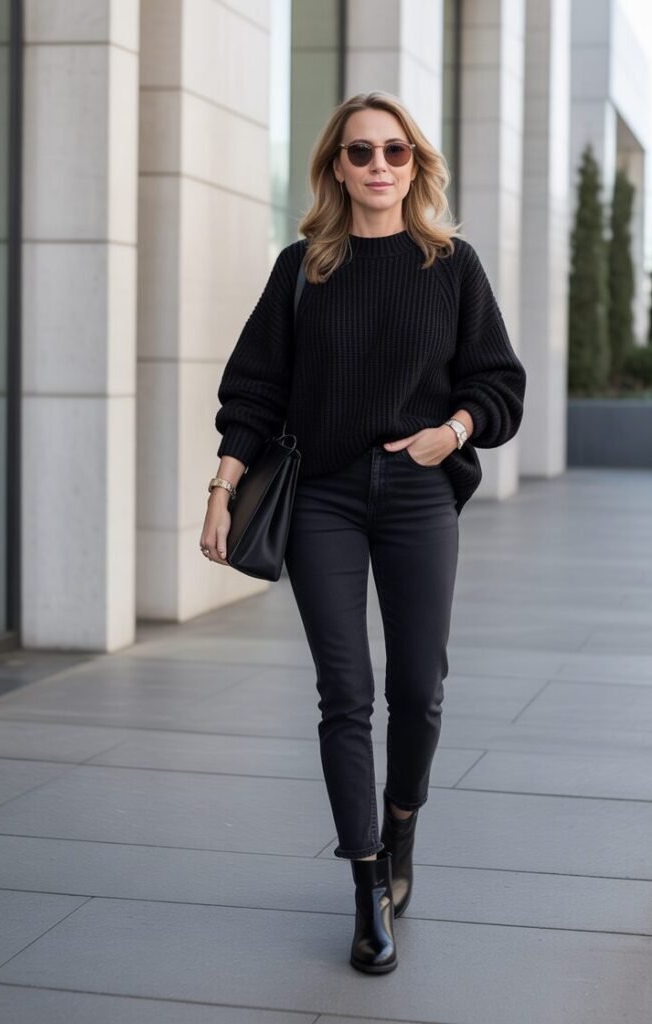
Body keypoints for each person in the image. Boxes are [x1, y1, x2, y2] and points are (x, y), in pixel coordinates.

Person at [200, 91, 526, 974]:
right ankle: (365, 885)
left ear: (416, 163)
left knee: (417, 687)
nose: (377, 167)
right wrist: (222, 486)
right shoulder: (300, 269)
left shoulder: (451, 267)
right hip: (323, 501)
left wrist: (450, 432)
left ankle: (402, 819)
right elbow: (253, 392)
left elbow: (499, 385)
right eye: (358, 153)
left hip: (419, 494)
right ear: (333, 169)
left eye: (394, 152)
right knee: (343, 692)